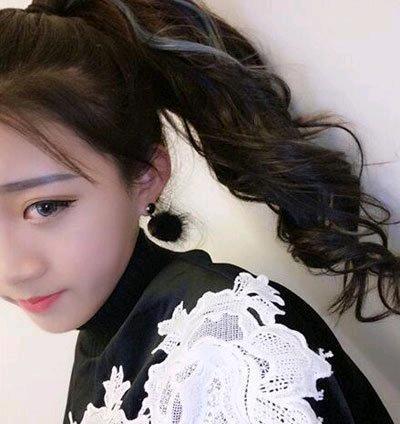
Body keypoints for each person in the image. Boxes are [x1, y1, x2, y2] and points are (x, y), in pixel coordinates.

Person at [0, 0, 397, 422]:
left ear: (147, 175)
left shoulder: (223, 350)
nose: (12, 269)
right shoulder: (108, 341)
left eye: (45, 207)